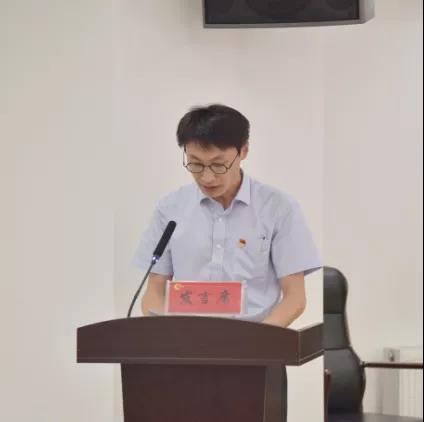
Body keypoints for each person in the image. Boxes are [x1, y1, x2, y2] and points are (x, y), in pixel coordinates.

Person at [132, 104, 321, 327]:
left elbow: (295, 299)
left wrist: (257, 342)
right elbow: (154, 290)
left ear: (244, 151)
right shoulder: (170, 208)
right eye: (195, 164)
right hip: (186, 341)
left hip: (255, 340)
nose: (207, 177)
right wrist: (166, 334)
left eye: (218, 165)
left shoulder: (278, 209)